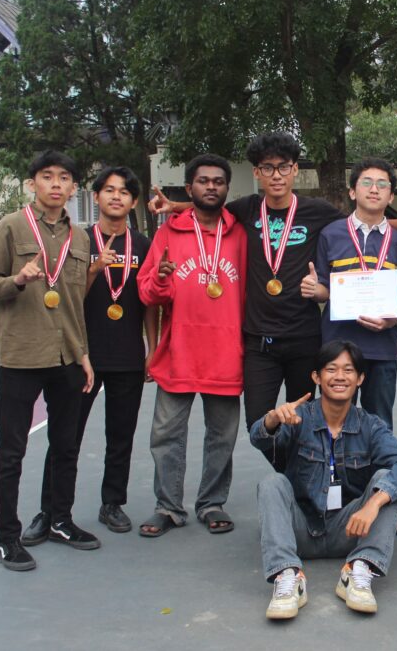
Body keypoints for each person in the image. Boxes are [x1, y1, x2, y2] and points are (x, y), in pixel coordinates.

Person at [148, 134, 397, 454]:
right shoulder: (247, 209)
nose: (276, 175)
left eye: (283, 167)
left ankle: (302, 480)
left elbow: (364, 220)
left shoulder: (317, 211)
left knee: (303, 425)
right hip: (259, 339)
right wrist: (176, 206)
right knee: (258, 426)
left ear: (295, 170)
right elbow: (210, 206)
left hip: (304, 338)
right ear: (257, 172)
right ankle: (290, 472)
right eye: (267, 168)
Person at [21, 166, 157, 542]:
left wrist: (152, 348)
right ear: (95, 197)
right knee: (65, 437)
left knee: (121, 436)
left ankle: (112, 503)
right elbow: (64, 297)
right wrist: (94, 270)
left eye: (124, 192)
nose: (116, 196)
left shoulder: (143, 245)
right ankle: (50, 510)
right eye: (108, 190)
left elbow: (149, 302)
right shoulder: (76, 241)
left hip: (127, 355)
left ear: (133, 201)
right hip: (80, 355)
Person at [0, 150, 96, 571]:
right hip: (21, 357)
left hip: (66, 357)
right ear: (32, 184)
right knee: (12, 451)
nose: (55, 184)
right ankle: (7, 537)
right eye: (47, 176)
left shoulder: (80, 238)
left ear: (73, 188)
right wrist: (17, 279)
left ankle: (60, 520)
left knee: (66, 445)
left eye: (64, 177)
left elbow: (74, 304)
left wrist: (83, 353)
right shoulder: (12, 226)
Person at [250, 340, 397, 619]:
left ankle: (360, 569)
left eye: (348, 370)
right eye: (331, 369)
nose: (340, 376)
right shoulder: (298, 417)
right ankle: (287, 575)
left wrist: (373, 503)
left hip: (350, 531)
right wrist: (272, 420)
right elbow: (259, 439)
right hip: (300, 531)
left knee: (386, 482)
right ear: (316, 377)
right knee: (271, 483)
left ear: (360, 379)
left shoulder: (370, 426)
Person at [136, 154, 248, 537]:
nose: (211, 187)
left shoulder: (240, 234)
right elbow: (147, 293)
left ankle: (212, 502)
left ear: (227, 188)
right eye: (203, 181)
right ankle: (167, 507)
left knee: (222, 437)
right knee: (166, 435)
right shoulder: (168, 234)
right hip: (179, 352)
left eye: (218, 181)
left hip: (226, 353)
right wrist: (161, 279)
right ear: (189, 188)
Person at [302, 157, 397, 430]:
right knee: (334, 425)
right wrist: (314, 289)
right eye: (366, 183)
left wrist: (390, 321)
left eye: (382, 184)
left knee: (380, 426)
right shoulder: (330, 234)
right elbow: (324, 289)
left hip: (382, 349)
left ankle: (377, 462)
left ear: (391, 196)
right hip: (336, 348)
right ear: (353, 192)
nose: (374, 189)